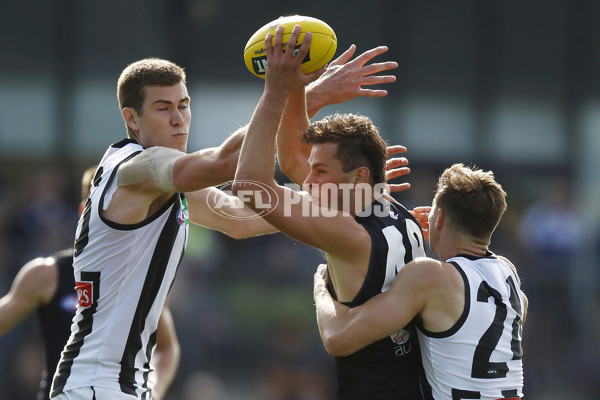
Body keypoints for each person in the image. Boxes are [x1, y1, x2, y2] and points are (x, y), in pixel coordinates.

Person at [49, 33, 403, 399]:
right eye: (162, 107)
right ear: (131, 119)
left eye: (183, 105)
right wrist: (297, 93)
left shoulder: (164, 186)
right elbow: (226, 162)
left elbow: (242, 219)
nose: (178, 119)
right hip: (94, 385)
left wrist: (341, 195)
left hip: (118, 384)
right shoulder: (135, 169)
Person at [232, 25, 430, 399]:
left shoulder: (350, 234)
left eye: (320, 172)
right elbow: (293, 156)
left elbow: (250, 188)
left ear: (359, 176)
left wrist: (276, 90)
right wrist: (298, 88)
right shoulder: (393, 209)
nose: (307, 179)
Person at [313, 163, 529, 400]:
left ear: (439, 219)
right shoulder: (508, 274)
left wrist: (321, 286)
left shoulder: (429, 276)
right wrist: (443, 236)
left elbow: (337, 338)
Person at [0, 166, 180, 400]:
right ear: (84, 212)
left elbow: (167, 348)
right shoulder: (48, 274)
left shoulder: (146, 278)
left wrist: (154, 388)